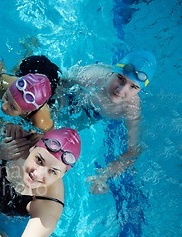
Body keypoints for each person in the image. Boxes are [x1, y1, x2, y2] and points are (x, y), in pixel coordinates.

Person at [57, 50, 156, 194]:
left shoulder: (131, 109)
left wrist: (104, 175)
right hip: (75, 96)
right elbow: (62, 81)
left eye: (133, 87)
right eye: (120, 78)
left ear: (140, 89)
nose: (121, 90)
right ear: (112, 72)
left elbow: (133, 151)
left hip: (94, 116)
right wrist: (59, 107)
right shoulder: (91, 75)